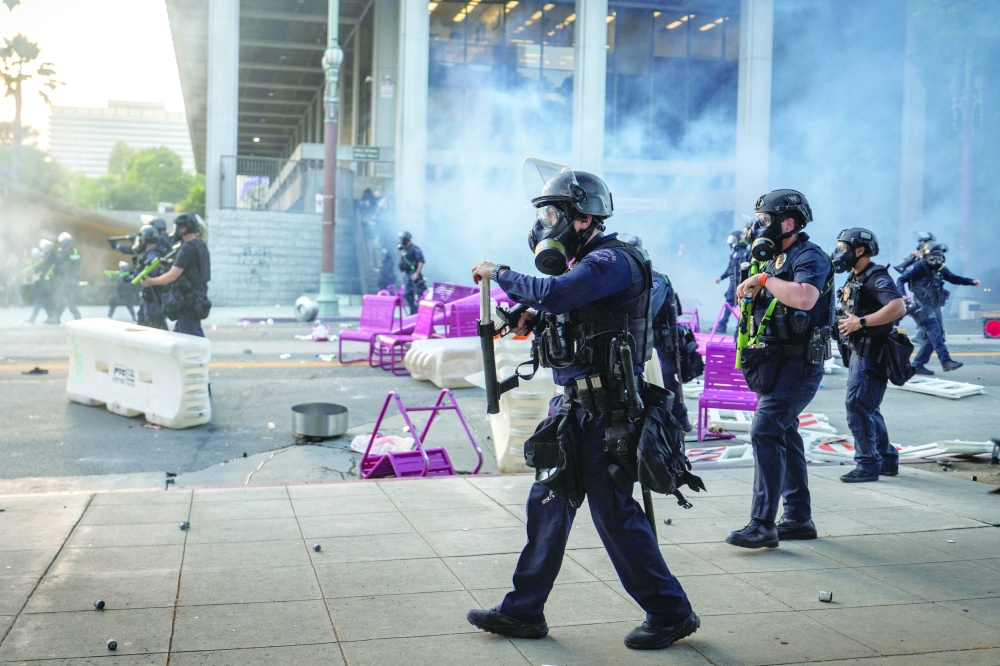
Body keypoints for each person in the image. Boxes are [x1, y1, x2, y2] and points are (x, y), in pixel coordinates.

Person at [466, 159, 699, 651]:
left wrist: (502, 273)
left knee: (615, 516)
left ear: (584, 217)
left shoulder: (612, 261)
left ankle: (670, 612)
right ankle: (524, 611)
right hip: (574, 408)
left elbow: (558, 292)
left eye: (553, 216)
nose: (545, 227)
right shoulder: (585, 266)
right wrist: (530, 318)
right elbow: (563, 307)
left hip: (610, 413)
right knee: (547, 504)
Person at [729, 189, 834, 548]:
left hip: (799, 363)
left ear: (788, 223)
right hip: (775, 361)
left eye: (767, 220)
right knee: (785, 433)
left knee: (764, 432)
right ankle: (798, 518)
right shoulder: (775, 258)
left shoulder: (810, 256)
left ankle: (762, 524)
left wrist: (763, 282)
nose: (761, 226)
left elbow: (804, 297)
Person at [832, 228, 906, 482]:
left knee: (857, 405)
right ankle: (886, 460)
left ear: (860, 250)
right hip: (859, 351)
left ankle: (867, 464)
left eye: (843, 248)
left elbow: (897, 307)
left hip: (870, 352)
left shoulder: (876, 277)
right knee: (868, 406)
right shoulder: (856, 277)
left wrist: (861, 322)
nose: (839, 252)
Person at [896, 243, 978, 375]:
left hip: (935, 305)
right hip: (921, 305)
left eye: (938, 257)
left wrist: (971, 281)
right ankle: (945, 361)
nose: (936, 260)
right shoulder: (918, 267)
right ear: (926, 256)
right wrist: (903, 295)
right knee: (934, 331)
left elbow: (953, 278)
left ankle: (918, 365)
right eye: (932, 257)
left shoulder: (940, 268)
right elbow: (900, 279)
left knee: (935, 336)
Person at [141, 213, 211, 337]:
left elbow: (172, 276)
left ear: (183, 229)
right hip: (198, 299)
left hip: (188, 302)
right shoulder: (201, 245)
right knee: (184, 336)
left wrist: (150, 281)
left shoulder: (187, 247)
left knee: (188, 338)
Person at [134, 226, 168, 330]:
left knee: (156, 331)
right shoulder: (157, 252)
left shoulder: (152, 254)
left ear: (144, 241)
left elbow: (151, 273)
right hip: (150, 298)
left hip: (152, 300)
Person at [715, 230, 748, 333]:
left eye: (733, 240)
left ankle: (739, 327)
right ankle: (723, 325)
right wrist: (721, 277)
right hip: (732, 283)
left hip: (739, 282)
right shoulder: (734, 254)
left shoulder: (744, 253)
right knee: (730, 302)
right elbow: (729, 269)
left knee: (741, 304)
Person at [51, 232, 82, 322]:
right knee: (66, 299)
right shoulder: (77, 252)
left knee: (66, 299)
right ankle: (56, 318)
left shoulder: (64, 253)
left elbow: (57, 267)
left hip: (65, 280)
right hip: (74, 279)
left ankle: (77, 317)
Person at [27, 239, 58, 325]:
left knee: (40, 300)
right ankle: (51, 318)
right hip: (46, 281)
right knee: (46, 301)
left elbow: (43, 265)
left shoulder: (51, 257)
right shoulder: (51, 256)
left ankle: (33, 319)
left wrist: (35, 270)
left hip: (47, 282)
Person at [397, 231, 426, 315]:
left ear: (406, 239)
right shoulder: (405, 249)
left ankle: (415, 311)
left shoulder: (415, 249)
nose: (401, 241)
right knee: (408, 294)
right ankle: (413, 312)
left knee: (413, 294)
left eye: (402, 239)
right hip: (407, 274)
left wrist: (417, 273)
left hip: (413, 273)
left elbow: (421, 261)